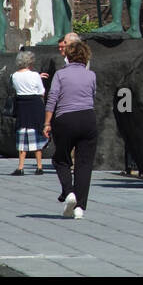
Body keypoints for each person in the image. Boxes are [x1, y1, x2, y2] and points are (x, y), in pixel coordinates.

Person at [44, 33, 97, 219]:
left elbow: (52, 99)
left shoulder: (60, 74)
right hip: (88, 118)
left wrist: (47, 122)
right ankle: (80, 207)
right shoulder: (91, 75)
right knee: (84, 164)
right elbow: (92, 95)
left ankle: (69, 192)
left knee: (61, 159)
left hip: (66, 119)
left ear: (69, 55)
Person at [11, 50, 47, 176]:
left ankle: (20, 167)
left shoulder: (14, 76)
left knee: (23, 135)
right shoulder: (35, 75)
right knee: (36, 134)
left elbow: (16, 89)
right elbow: (41, 91)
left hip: (22, 105)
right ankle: (39, 166)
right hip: (35, 104)